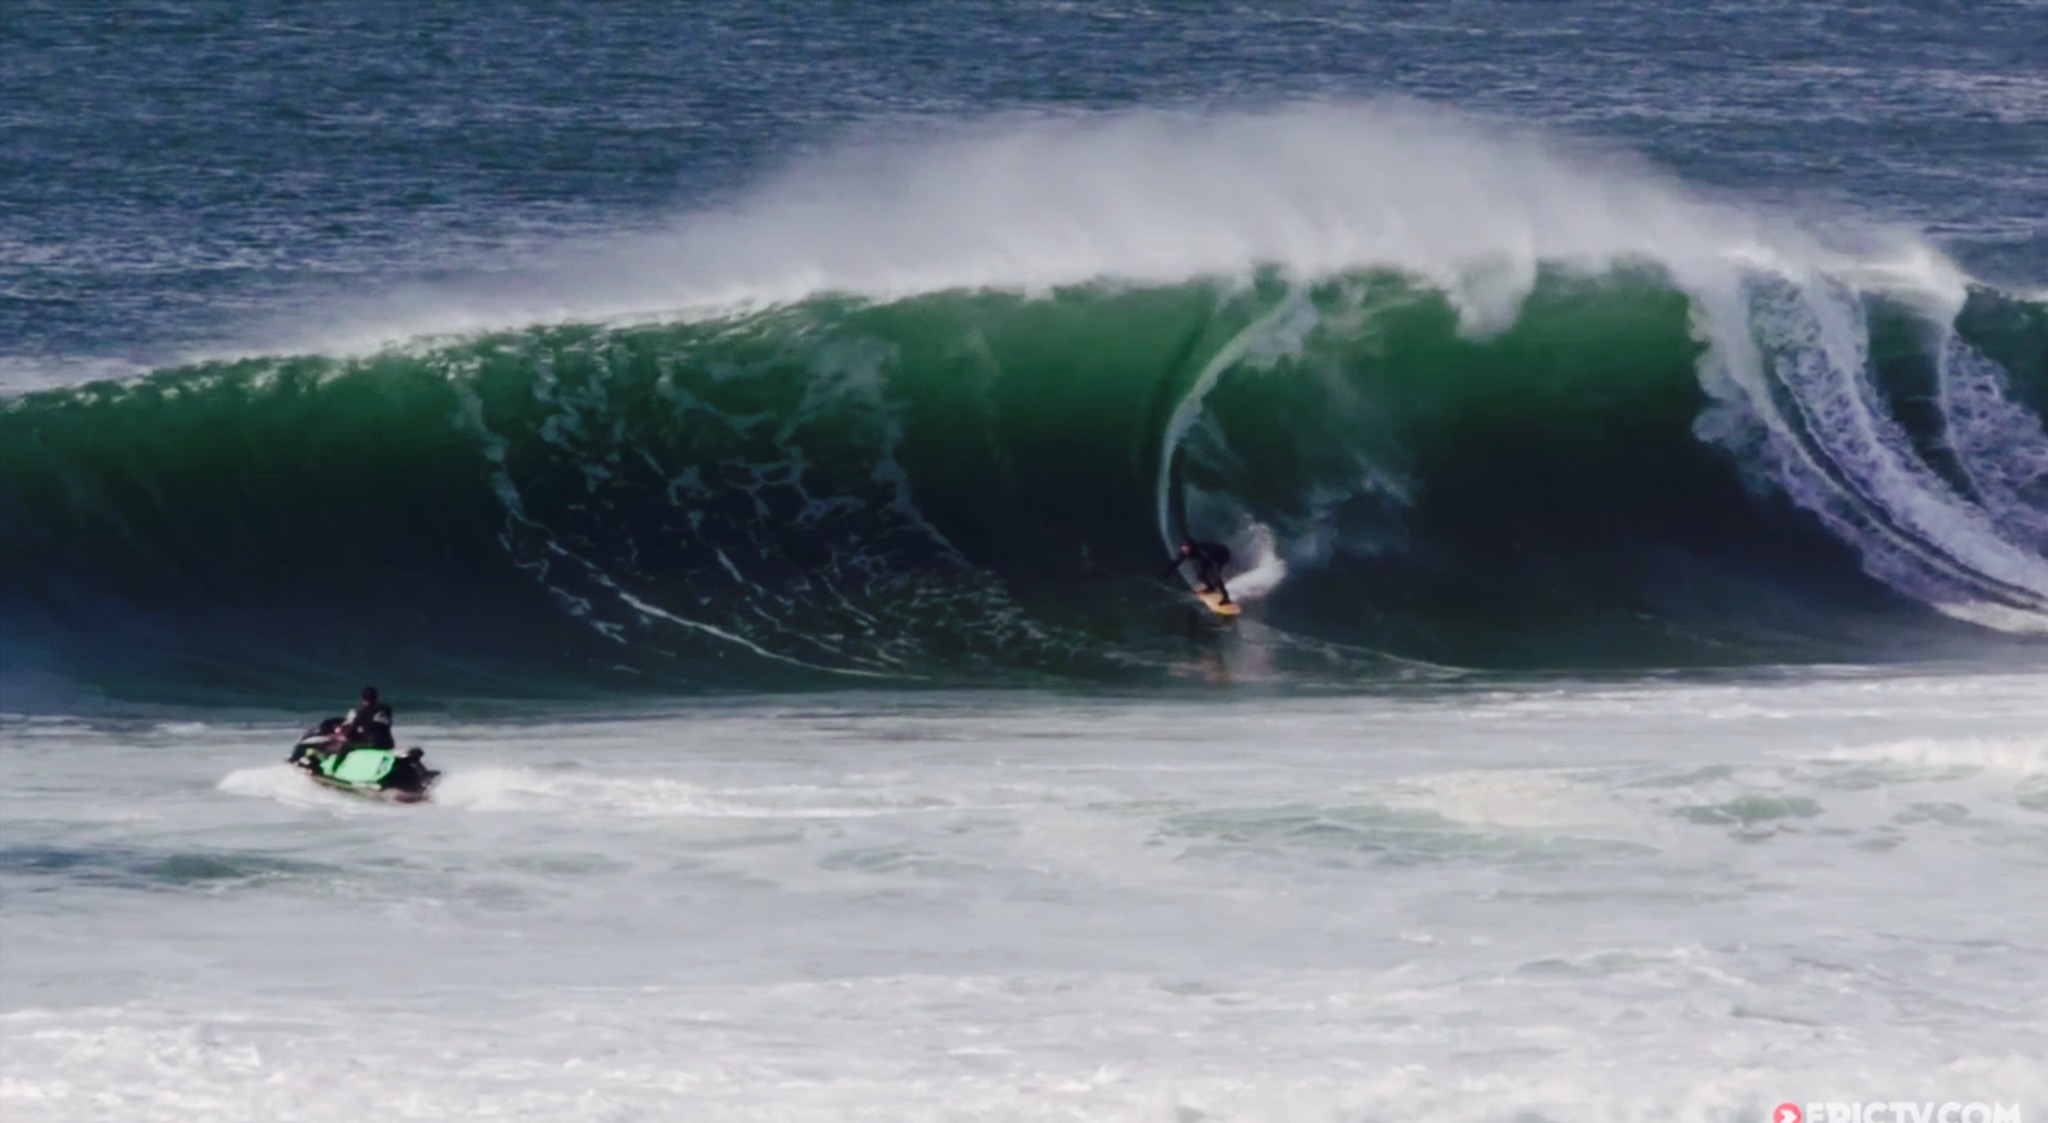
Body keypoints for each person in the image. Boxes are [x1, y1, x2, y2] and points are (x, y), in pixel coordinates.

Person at [1162, 535, 1233, 605]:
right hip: (1209, 557)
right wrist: (1168, 571)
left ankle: (1226, 598)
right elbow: (1177, 562)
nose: (1185, 550)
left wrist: (1215, 574)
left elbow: (1212, 563)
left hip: (1222, 554)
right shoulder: (1185, 551)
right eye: (1183, 548)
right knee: (1201, 575)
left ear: (1192, 547)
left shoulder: (1201, 550)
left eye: (1187, 548)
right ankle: (1211, 588)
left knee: (1216, 578)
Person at [331, 686, 395, 751]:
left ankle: (338, 761)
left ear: (362, 699)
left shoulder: (362, 713)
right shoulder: (387, 709)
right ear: (376, 698)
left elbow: (350, 732)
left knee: (345, 746)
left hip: (373, 744)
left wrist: (341, 736)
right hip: (389, 743)